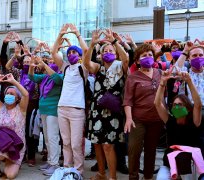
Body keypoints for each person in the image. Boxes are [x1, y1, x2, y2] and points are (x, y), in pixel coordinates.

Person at [84, 29, 129, 180]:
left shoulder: (120, 66)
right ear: (101, 54)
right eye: (105, 50)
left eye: (111, 50)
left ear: (115, 54)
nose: (108, 52)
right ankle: (101, 173)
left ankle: (113, 177)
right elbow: (86, 63)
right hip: (97, 110)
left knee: (108, 145)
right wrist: (92, 45)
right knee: (97, 143)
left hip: (113, 111)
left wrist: (115, 42)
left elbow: (126, 59)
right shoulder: (98, 67)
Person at [123, 43, 164, 180]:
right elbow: (128, 100)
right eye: (144, 55)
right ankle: (133, 177)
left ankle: (148, 177)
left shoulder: (160, 73)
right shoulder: (133, 77)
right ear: (137, 60)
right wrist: (129, 118)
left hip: (156, 119)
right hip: (137, 120)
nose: (148, 57)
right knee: (134, 150)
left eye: (150, 55)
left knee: (151, 150)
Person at [52, 23, 88, 174]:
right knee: (65, 143)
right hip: (62, 109)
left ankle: (78, 171)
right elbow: (54, 52)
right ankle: (67, 170)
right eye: (70, 52)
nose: (71, 54)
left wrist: (77, 34)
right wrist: (60, 35)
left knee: (75, 144)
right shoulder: (65, 67)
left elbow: (86, 50)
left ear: (79, 56)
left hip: (77, 110)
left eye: (75, 52)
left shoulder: (83, 68)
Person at [154, 69, 203, 179]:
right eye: (175, 105)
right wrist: (162, 83)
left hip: (189, 163)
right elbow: (157, 104)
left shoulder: (194, 122)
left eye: (180, 104)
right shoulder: (170, 121)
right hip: (170, 163)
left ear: (188, 107)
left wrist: (189, 81)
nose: (177, 107)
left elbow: (198, 105)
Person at [28, 55, 63, 176]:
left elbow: (56, 79)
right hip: (43, 110)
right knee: (47, 138)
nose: (51, 63)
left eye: (54, 62)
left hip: (53, 111)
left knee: (53, 137)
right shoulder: (44, 77)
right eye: (50, 62)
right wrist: (32, 65)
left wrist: (43, 63)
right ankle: (50, 161)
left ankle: (55, 164)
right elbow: (31, 76)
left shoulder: (60, 75)